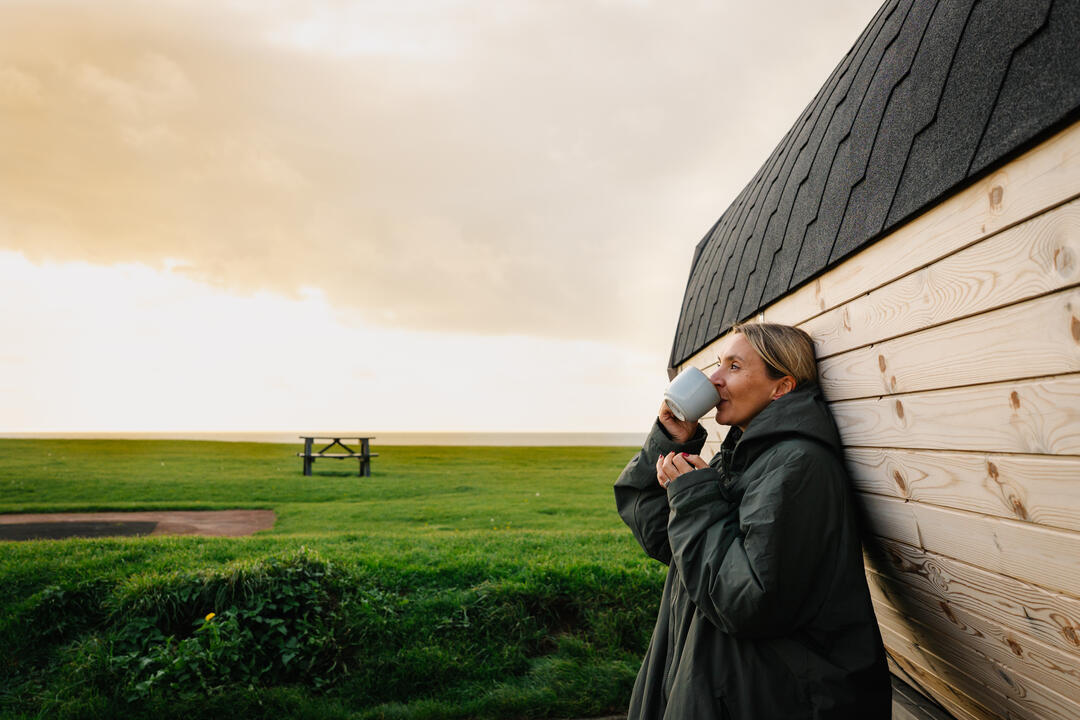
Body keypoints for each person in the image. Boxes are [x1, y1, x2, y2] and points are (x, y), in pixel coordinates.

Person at [614, 322, 890, 719]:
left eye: (734, 367)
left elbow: (748, 599)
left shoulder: (800, 466)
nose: (714, 380)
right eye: (718, 366)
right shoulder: (742, 458)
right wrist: (671, 442)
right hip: (717, 680)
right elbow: (662, 539)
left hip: (765, 697)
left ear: (781, 387)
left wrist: (695, 497)